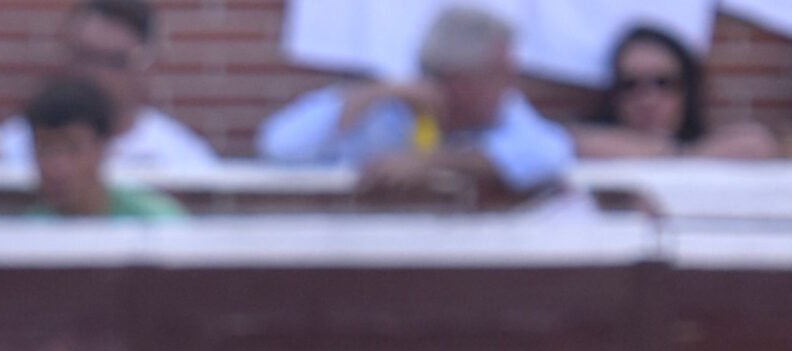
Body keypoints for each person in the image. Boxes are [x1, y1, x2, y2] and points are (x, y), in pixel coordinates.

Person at [256, 4, 573, 203]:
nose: (511, 84)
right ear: (462, 82)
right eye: (501, 74)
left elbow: (551, 153)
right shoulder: (385, 103)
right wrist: (373, 94)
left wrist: (433, 162)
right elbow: (279, 146)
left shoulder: (505, 109)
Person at [0, 0, 214, 173]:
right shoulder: (21, 141)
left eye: (113, 61)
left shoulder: (180, 156)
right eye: (86, 56)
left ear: (148, 67)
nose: (95, 73)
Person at [573, 24, 777, 161]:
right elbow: (567, 143)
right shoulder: (589, 148)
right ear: (615, 96)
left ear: (687, 91)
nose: (648, 100)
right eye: (631, 85)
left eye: (663, 83)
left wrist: (678, 154)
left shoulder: (710, 149)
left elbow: (757, 144)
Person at [23, 75, 185, 222]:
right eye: (45, 149)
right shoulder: (28, 233)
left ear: (104, 146)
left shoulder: (156, 221)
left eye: (72, 148)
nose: (57, 166)